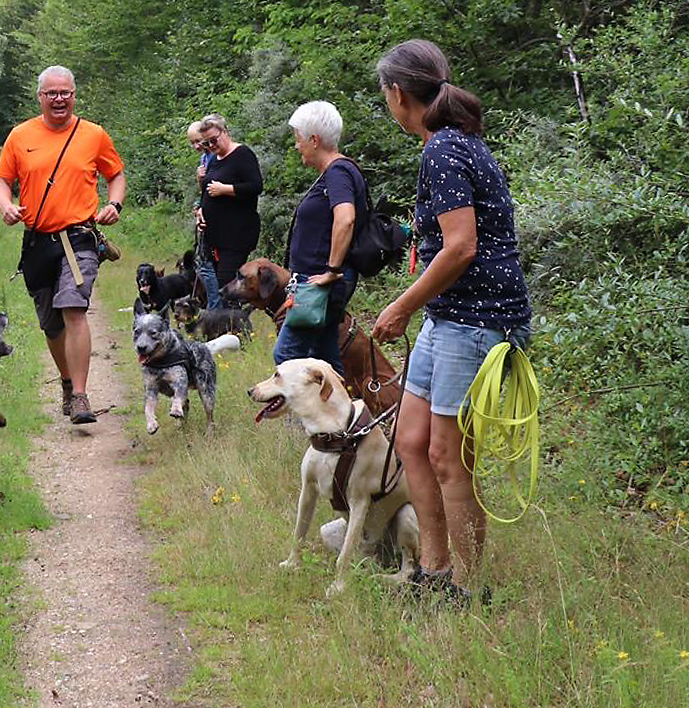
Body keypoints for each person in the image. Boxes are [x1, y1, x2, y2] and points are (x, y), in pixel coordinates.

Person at [371, 39, 531, 603]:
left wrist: (399, 307)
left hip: (477, 320)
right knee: (411, 439)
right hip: (448, 316)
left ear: (397, 94)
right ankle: (433, 574)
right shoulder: (451, 144)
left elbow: (461, 247)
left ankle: (467, 587)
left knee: (446, 455)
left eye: (384, 93)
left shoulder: (443, 151)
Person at [0, 65, 125, 424]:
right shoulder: (20, 136)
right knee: (52, 325)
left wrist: (113, 204)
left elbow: (116, 174)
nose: (59, 98)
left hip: (79, 237)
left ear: (74, 95)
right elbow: (1, 181)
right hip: (37, 242)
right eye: (51, 93)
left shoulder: (93, 134)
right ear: (40, 97)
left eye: (65, 92)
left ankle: (81, 396)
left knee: (74, 309)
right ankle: (67, 382)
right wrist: (6, 206)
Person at [273, 101, 366, 374]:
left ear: (314, 140)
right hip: (320, 282)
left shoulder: (338, 172)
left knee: (287, 354)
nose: (296, 145)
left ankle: (306, 416)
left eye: (298, 138)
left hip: (320, 284)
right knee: (324, 356)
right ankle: (343, 416)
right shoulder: (339, 171)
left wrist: (331, 270)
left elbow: (346, 218)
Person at [196, 113, 262, 296]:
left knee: (228, 289)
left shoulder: (243, 154)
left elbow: (256, 186)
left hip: (236, 236)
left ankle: (234, 323)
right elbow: (207, 191)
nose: (211, 146)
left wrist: (226, 189)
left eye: (213, 140)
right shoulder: (214, 160)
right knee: (221, 287)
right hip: (216, 239)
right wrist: (201, 211)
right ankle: (230, 322)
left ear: (225, 131)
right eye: (206, 143)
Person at [187, 120, 220, 308]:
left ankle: (214, 307)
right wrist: (198, 205)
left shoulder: (216, 157)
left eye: (198, 141)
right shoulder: (204, 159)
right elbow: (204, 190)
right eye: (192, 143)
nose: (196, 146)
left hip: (215, 220)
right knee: (204, 265)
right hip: (204, 213)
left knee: (207, 266)